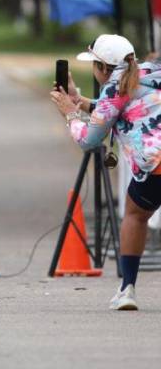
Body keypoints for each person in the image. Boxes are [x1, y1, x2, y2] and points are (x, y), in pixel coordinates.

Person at [50, 34, 161, 311]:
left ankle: (127, 290)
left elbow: (88, 139)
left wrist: (69, 113)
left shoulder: (114, 90)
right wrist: (78, 100)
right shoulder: (149, 72)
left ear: (102, 68)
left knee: (135, 215)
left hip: (155, 166)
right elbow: (118, 108)